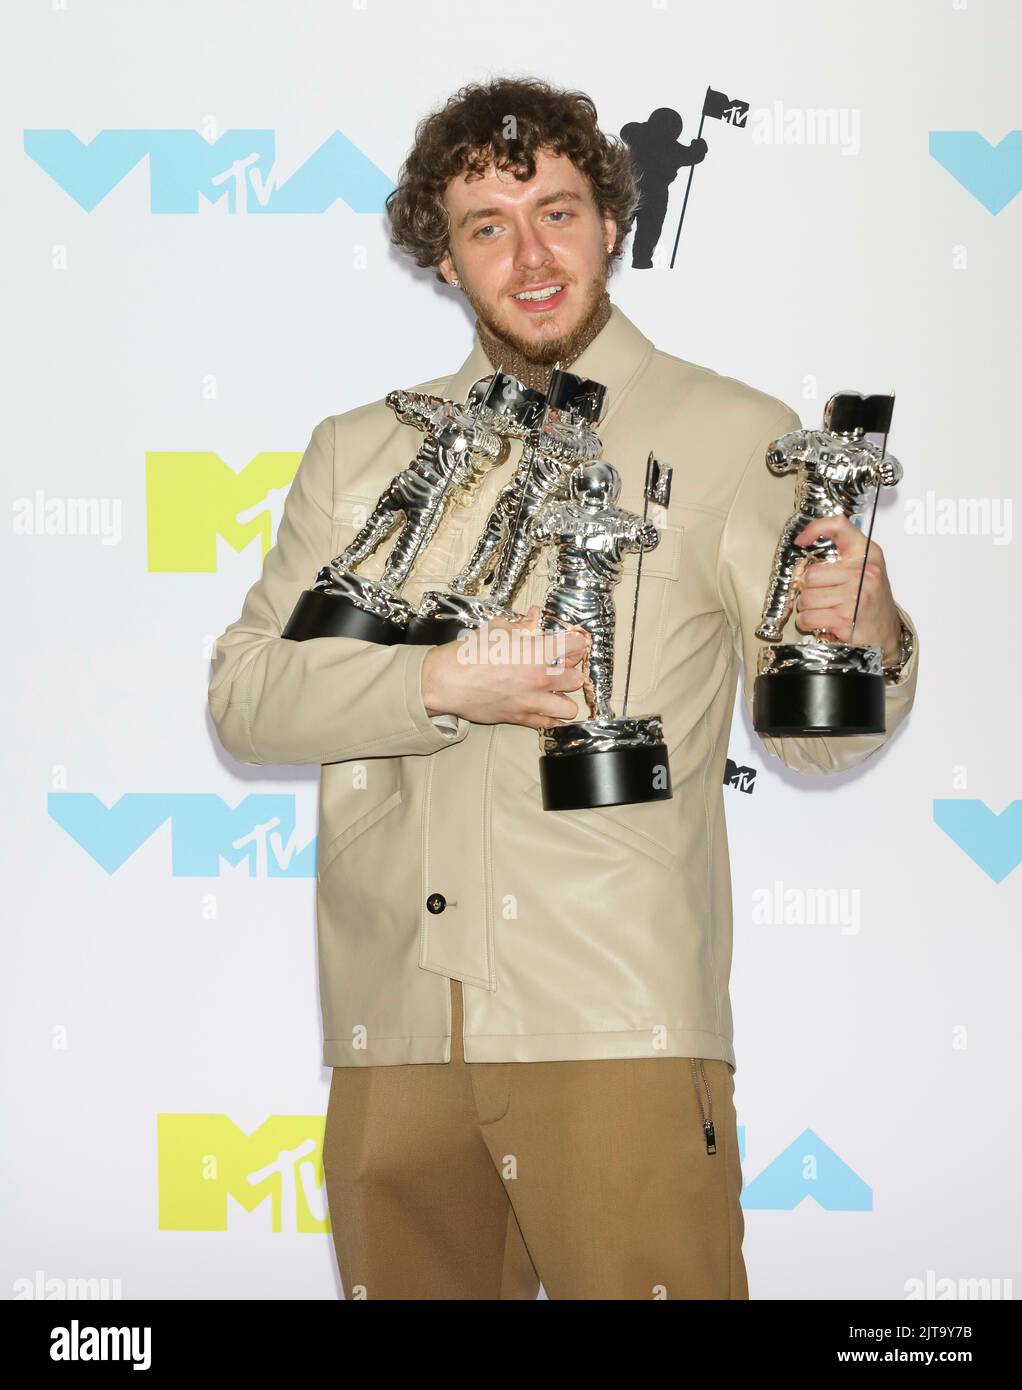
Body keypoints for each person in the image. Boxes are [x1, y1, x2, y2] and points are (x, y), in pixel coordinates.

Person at [207, 76, 918, 1301]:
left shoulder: (733, 432)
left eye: (558, 211)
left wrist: (868, 632)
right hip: (398, 1035)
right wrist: (438, 682)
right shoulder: (359, 450)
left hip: (618, 1031)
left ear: (611, 223)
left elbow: (810, 741)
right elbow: (248, 696)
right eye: (487, 224)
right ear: (441, 258)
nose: (530, 255)